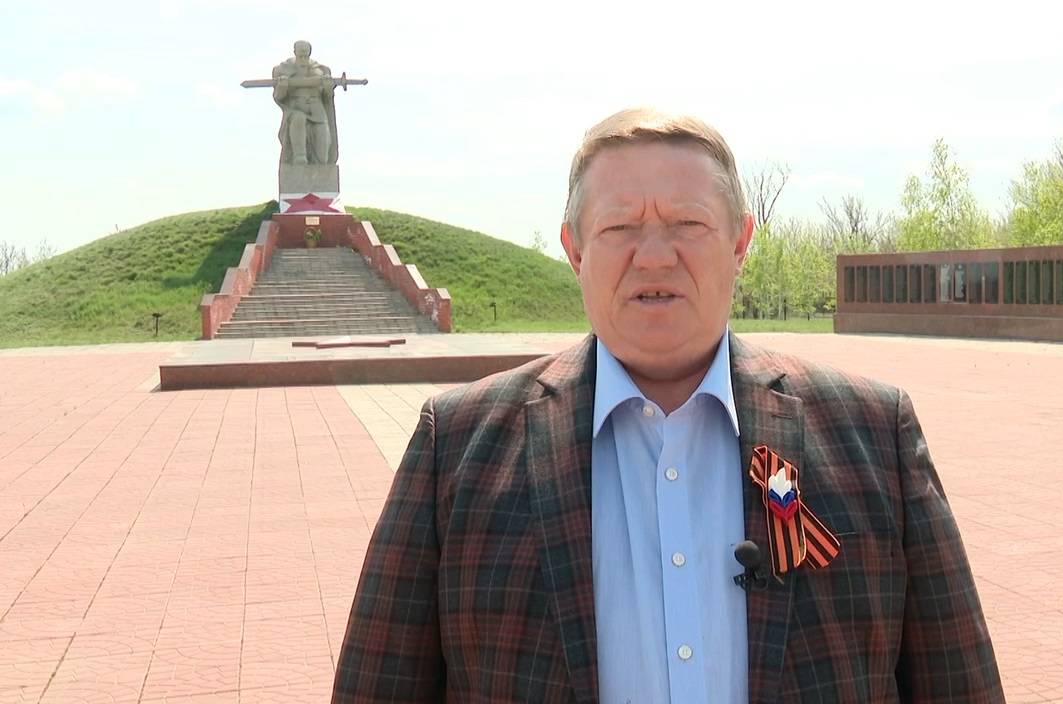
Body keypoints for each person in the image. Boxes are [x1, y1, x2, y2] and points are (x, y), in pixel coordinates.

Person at [331, 107, 1005, 703]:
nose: (654, 256)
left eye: (688, 223)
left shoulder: (871, 435)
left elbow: (957, 682)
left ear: (739, 243)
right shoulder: (458, 448)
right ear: (574, 251)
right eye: (620, 226)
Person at [272, 40, 338, 165]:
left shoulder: (321, 69)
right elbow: (279, 98)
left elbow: (327, 97)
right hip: (296, 107)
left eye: (305, 56)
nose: (303, 59)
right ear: (295, 53)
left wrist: (328, 87)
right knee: (298, 118)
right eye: (300, 56)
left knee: (323, 159)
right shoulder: (283, 69)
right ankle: (299, 155)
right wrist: (282, 87)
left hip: (317, 111)